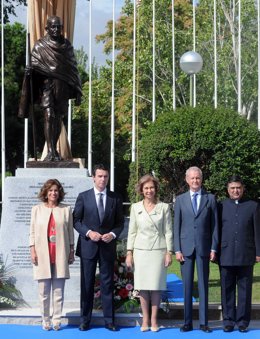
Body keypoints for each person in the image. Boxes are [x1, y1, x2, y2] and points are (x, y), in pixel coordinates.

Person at [18, 16, 82, 161]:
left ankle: (54, 149)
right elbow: (34, 65)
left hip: (62, 87)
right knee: (48, 115)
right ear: (47, 29)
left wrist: (78, 90)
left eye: (58, 27)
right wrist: (29, 71)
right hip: (46, 86)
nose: (55, 29)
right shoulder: (40, 46)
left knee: (58, 117)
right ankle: (51, 150)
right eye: (52, 27)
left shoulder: (66, 46)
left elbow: (73, 69)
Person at [73, 164, 124, 331]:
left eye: (105, 176)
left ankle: (109, 320)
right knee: (86, 284)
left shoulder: (115, 198)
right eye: (100, 176)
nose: (103, 179)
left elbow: (120, 223)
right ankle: (85, 320)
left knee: (107, 284)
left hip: (107, 247)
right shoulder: (83, 197)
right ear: (93, 178)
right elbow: (76, 221)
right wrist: (88, 233)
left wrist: (113, 234)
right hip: (88, 247)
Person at [173, 166, 219, 333]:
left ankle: (204, 323)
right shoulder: (180, 200)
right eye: (192, 178)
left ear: (201, 179)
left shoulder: (211, 199)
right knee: (186, 287)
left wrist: (214, 247)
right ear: (187, 180)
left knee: (203, 286)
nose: (195, 181)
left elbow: (215, 226)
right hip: (185, 249)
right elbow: (176, 226)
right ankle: (187, 322)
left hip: (204, 249)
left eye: (198, 178)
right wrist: (177, 249)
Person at [125, 174, 173, 332]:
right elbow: (132, 232)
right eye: (146, 188)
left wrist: (169, 252)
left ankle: (154, 319)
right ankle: (145, 319)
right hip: (140, 251)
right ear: (141, 190)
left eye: (151, 187)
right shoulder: (135, 207)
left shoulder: (164, 207)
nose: (149, 190)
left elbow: (168, 232)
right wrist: (129, 252)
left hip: (158, 251)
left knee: (156, 287)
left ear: (156, 189)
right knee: (143, 287)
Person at [29, 179, 75, 331]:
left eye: (56, 190)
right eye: (50, 190)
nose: (53, 193)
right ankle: (45, 319)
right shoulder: (36, 209)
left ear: (59, 192)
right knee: (43, 291)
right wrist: (32, 250)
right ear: (45, 192)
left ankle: (56, 320)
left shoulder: (66, 209)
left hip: (60, 253)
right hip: (42, 254)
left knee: (58, 290)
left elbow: (70, 232)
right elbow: (32, 232)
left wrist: (71, 251)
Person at [218, 175, 260, 333]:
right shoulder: (221, 206)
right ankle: (228, 321)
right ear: (228, 190)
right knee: (226, 289)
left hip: (246, 253)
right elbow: (217, 231)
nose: (235, 190)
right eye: (232, 188)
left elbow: (257, 231)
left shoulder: (253, 206)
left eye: (238, 188)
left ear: (243, 189)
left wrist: (258, 252)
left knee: (244, 290)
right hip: (226, 254)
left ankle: (243, 321)